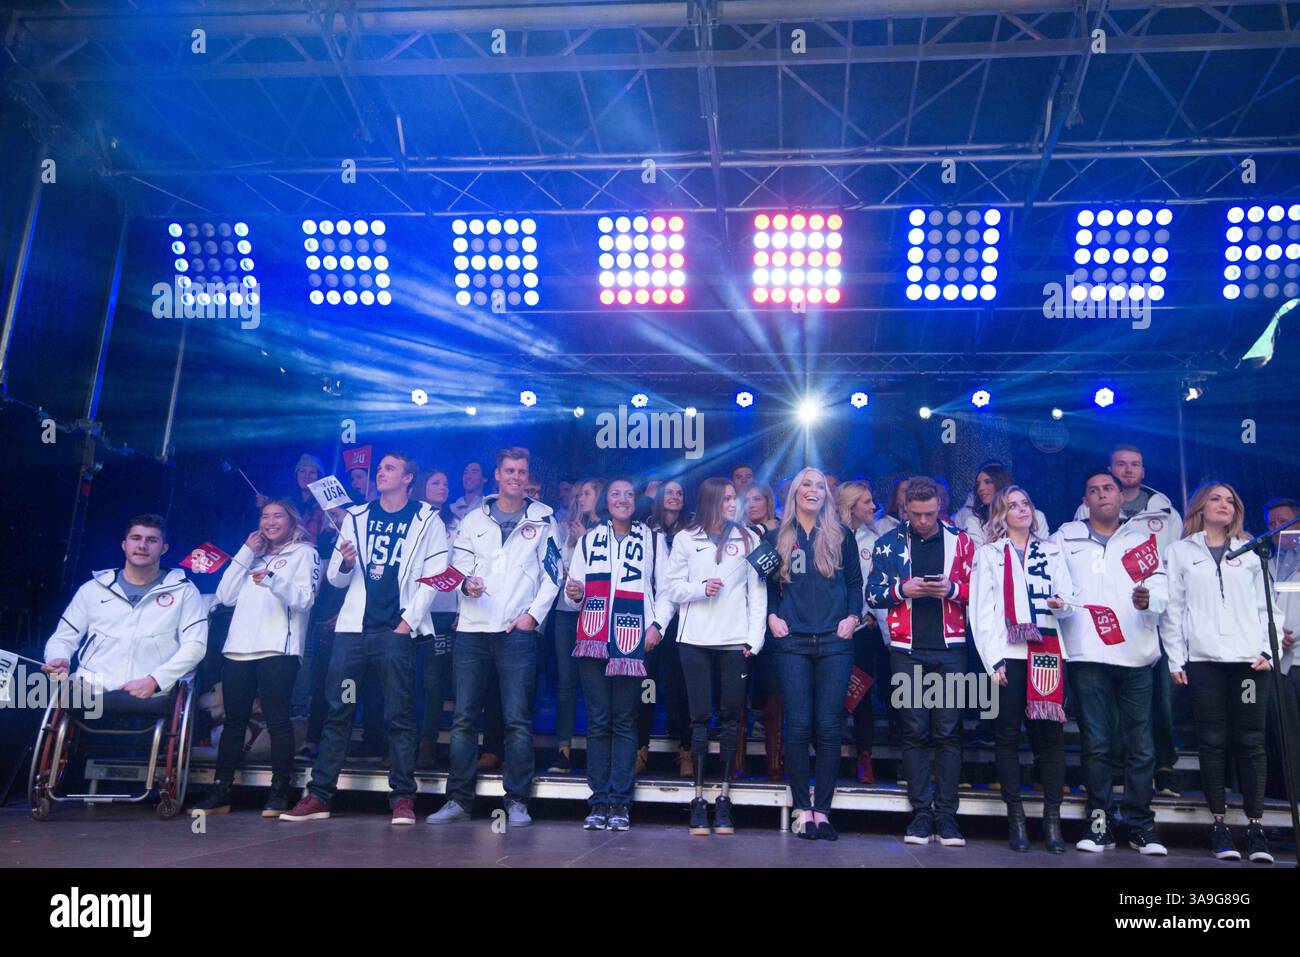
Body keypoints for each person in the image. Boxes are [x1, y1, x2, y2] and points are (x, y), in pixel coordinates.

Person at [282, 452, 449, 825]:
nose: (381, 474)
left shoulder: (427, 520)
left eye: (390, 468)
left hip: (395, 633)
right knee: (340, 709)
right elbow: (336, 579)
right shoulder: (356, 517)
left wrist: (406, 623)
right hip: (353, 635)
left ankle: (402, 798)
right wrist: (343, 562)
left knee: (399, 714)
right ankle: (320, 794)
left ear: (408, 478)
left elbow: (435, 576)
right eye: (380, 469)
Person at [429, 447, 560, 827]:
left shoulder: (544, 518)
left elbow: (553, 574)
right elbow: (458, 567)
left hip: (516, 632)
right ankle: (458, 800)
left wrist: (532, 616)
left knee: (517, 719)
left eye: (521, 471)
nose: (516, 477)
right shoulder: (473, 518)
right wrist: (465, 585)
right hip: (472, 628)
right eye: (509, 471)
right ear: (498, 476)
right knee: (464, 718)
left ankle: (517, 800)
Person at [1052, 468, 1170, 856]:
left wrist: (1149, 599)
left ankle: (1140, 824)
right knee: (1097, 744)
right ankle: (1099, 820)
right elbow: (1055, 585)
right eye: (1093, 490)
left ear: (1121, 496)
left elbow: (1162, 590)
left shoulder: (1141, 539)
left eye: (1108, 488)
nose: (1102, 494)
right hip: (1087, 652)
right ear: (1085, 500)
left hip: (1136, 653)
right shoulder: (1066, 536)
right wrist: (1059, 604)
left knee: (1141, 745)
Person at [1163, 482, 1276, 863]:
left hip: (1248, 663)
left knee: (1251, 740)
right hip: (1204, 662)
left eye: (1230, 500)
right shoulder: (1180, 551)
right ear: (1200, 507)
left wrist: (1267, 651)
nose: (1224, 504)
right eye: (1216, 498)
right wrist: (1176, 658)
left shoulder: (1251, 549)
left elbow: (1267, 605)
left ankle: (1256, 828)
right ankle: (1219, 826)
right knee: (1212, 741)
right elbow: (1173, 609)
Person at [192, 500, 321, 817]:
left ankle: (279, 793)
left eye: (278, 516)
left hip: (278, 648)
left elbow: (305, 600)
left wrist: (273, 579)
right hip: (239, 648)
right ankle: (221, 791)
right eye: (265, 516)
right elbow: (225, 596)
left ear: (292, 521)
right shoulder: (252, 556)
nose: (270, 522)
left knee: (277, 719)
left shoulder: (305, 553)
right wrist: (246, 551)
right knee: (234, 721)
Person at [868, 476, 975, 847]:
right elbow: (873, 594)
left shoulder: (962, 541)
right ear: (905, 510)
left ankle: (946, 816)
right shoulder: (888, 542)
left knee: (948, 732)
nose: (924, 521)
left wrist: (952, 590)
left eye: (930, 513)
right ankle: (920, 814)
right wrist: (904, 589)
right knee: (914, 731)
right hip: (906, 648)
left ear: (939, 506)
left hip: (951, 647)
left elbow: (983, 591)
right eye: (916, 515)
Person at [1074, 443, 1184, 796]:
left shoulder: (1163, 513)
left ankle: (1162, 771)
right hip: (1098, 637)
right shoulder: (1075, 525)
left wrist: (1153, 599)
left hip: (1148, 627)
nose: (1128, 470)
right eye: (1120, 464)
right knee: (1105, 720)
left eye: (1135, 464)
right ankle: (1110, 786)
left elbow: (1171, 568)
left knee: (1159, 705)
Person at [971, 486, 1077, 853]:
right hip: (1006, 654)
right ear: (1001, 514)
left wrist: (1062, 604)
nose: (1022, 510)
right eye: (1012, 505)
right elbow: (981, 612)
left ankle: (1052, 821)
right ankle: (1015, 819)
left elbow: (1070, 600)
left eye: (1026, 503)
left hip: (1046, 651)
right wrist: (992, 660)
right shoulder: (989, 554)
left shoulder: (1051, 549)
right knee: (1006, 737)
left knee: (1050, 740)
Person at [565, 478, 669, 830]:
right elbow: (572, 593)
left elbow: (666, 589)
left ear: (635, 501)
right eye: (615, 494)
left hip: (632, 639)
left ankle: (621, 802)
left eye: (628, 494)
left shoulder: (652, 539)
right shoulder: (589, 538)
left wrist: (657, 627)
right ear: (606, 502)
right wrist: (575, 594)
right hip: (593, 637)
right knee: (599, 720)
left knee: (625, 720)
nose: (622, 499)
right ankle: (598, 800)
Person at [665, 477, 766, 835]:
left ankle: (723, 799)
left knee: (731, 718)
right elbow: (671, 588)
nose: (733, 503)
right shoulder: (685, 538)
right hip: (694, 639)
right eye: (726, 499)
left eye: (733, 498)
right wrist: (700, 588)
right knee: (699, 719)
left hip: (735, 641)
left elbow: (758, 593)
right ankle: (697, 800)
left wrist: (754, 640)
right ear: (710, 501)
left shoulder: (749, 538)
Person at [767, 468, 862, 840]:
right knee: (798, 724)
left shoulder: (842, 535)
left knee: (829, 725)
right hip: (792, 642)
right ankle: (801, 809)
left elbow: (855, 583)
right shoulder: (776, 537)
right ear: (794, 492)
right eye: (806, 484)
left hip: (835, 641)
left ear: (826, 494)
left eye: (819, 485)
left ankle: (822, 811)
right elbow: (765, 588)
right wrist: (772, 616)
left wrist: (853, 617)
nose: (813, 490)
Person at [43, 514, 209, 722]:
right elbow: (63, 638)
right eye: (136, 538)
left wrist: (155, 680)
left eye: (151, 540)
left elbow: (195, 645)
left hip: (153, 693)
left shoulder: (184, 590)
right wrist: (58, 658)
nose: (142, 546)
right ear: (124, 544)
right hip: (92, 688)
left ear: (164, 548)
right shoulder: (93, 588)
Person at [548, 477, 603, 774]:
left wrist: (584, 539)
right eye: (579, 494)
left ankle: (598, 753)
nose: (581, 498)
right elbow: (558, 568)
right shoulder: (566, 526)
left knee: (595, 685)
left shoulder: (608, 530)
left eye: (587, 493)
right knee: (566, 683)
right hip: (565, 611)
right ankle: (563, 750)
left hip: (595, 614)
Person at [837, 480, 889, 785]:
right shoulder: (829, 536)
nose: (873, 506)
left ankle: (864, 757)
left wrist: (870, 614)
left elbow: (877, 583)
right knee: (830, 693)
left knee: (861, 694)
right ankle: (827, 757)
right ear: (851, 506)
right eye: (867, 502)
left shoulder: (875, 539)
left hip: (863, 630)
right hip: (830, 628)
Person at [645, 480, 694, 777]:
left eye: (679, 492)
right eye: (669, 492)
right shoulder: (645, 529)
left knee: (680, 685)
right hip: (650, 615)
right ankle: (641, 747)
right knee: (646, 684)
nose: (674, 496)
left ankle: (685, 749)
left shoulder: (693, 530)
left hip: (683, 617)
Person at [417, 469, 461, 769]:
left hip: (444, 610)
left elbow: (463, 566)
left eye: (446, 483)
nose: (443, 487)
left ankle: (428, 746)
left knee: (435, 682)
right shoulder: (412, 519)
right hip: (412, 612)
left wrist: (461, 610)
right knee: (410, 682)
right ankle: (400, 745)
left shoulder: (456, 523)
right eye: (435, 483)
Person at [1264, 497, 1300, 799]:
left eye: (1283, 522)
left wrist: (1291, 635)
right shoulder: (1266, 563)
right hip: (1281, 663)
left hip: (1296, 653)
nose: (1277, 529)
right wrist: (1274, 638)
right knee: (1288, 739)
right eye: (1271, 524)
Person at [953, 464, 1049, 546]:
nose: (981, 488)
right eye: (978, 484)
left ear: (1000, 483)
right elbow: (979, 557)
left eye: (988, 482)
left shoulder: (1035, 516)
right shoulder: (974, 522)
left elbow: (1044, 551)